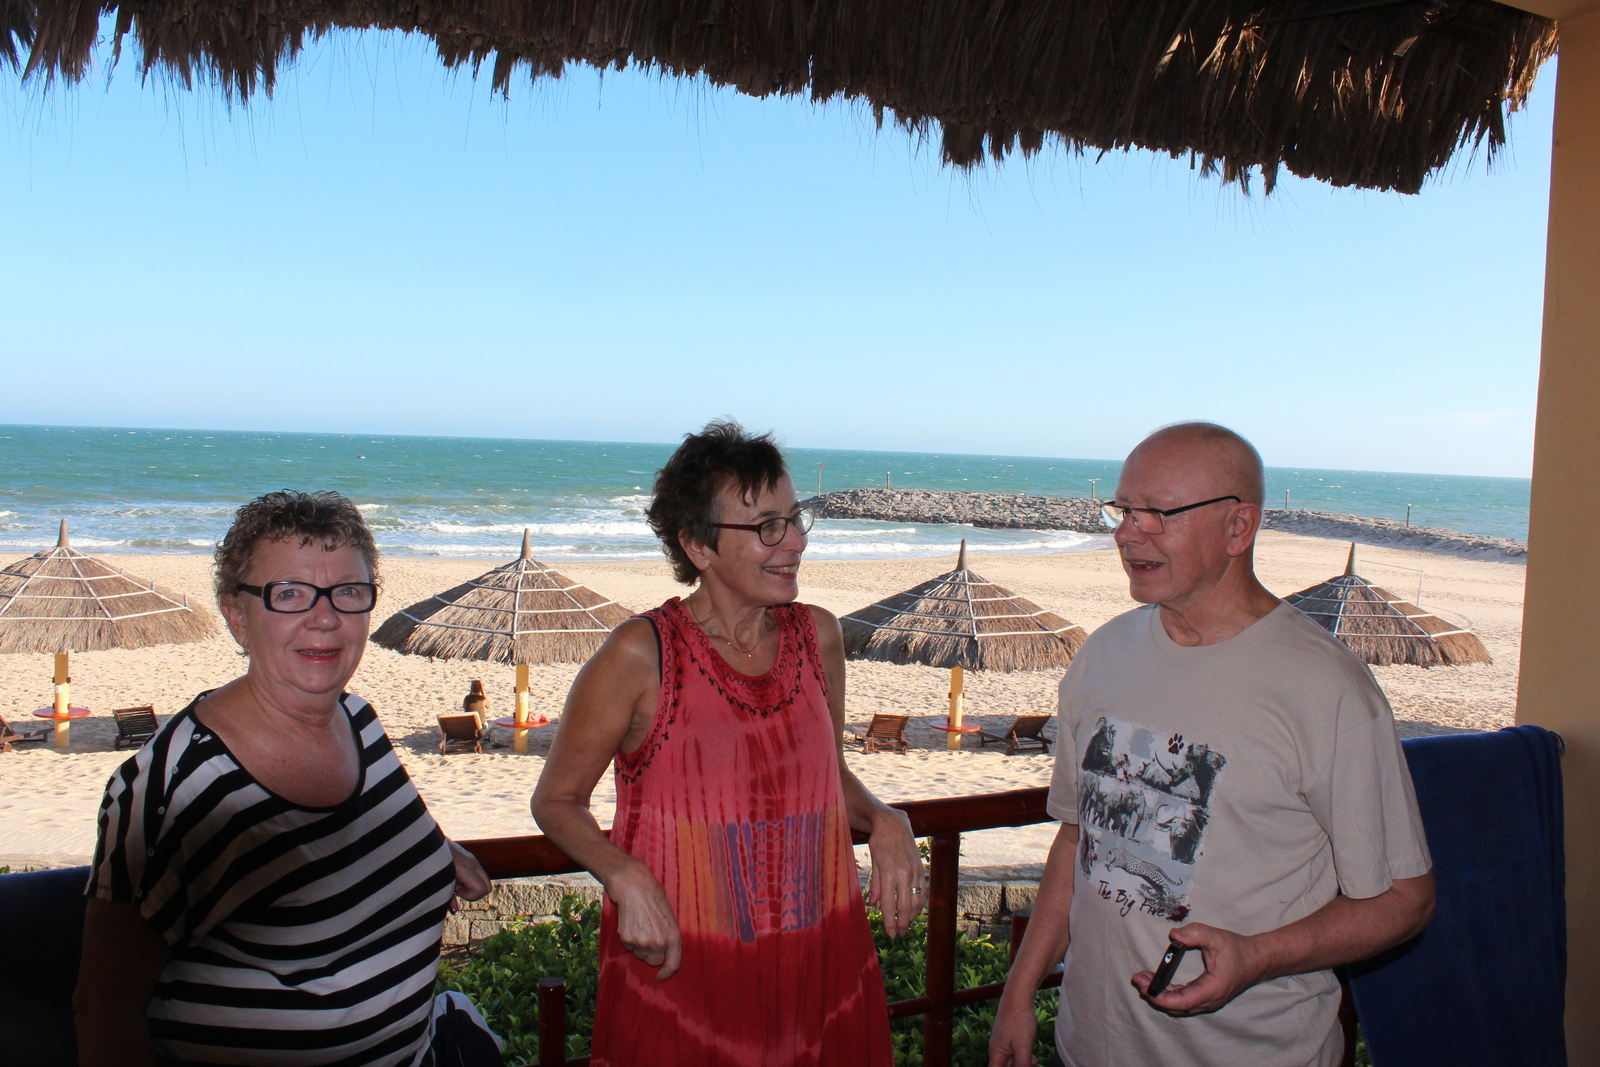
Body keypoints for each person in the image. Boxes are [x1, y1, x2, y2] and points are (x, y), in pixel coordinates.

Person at [989, 423, 1435, 1067]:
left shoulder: (1327, 689)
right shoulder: (1103, 655)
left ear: (1238, 527)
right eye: (1123, 509)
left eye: (1157, 513)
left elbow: (1403, 900)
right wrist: (1019, 992)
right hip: (1085, 1046)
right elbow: (1075, 843)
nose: (1127, 533)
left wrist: (1258, 956)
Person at [530, 420, 923, 1067]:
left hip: (819, 964)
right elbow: (556, 799)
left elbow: (827, 776)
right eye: (767, 527)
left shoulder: (820, 636)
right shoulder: (641, 654)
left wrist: (884, 817)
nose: (795, 542)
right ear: (698, 545)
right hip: (687, 973)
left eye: (795, 519)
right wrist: (624, 874)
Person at [74, 490, 501, 1067]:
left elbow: (352, 833)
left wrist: (434, 849)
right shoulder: (174, 791)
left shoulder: (358, 720)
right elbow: (103, 1012)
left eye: (348, 591)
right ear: (237, 615)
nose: (325, 618)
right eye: (290, 593)